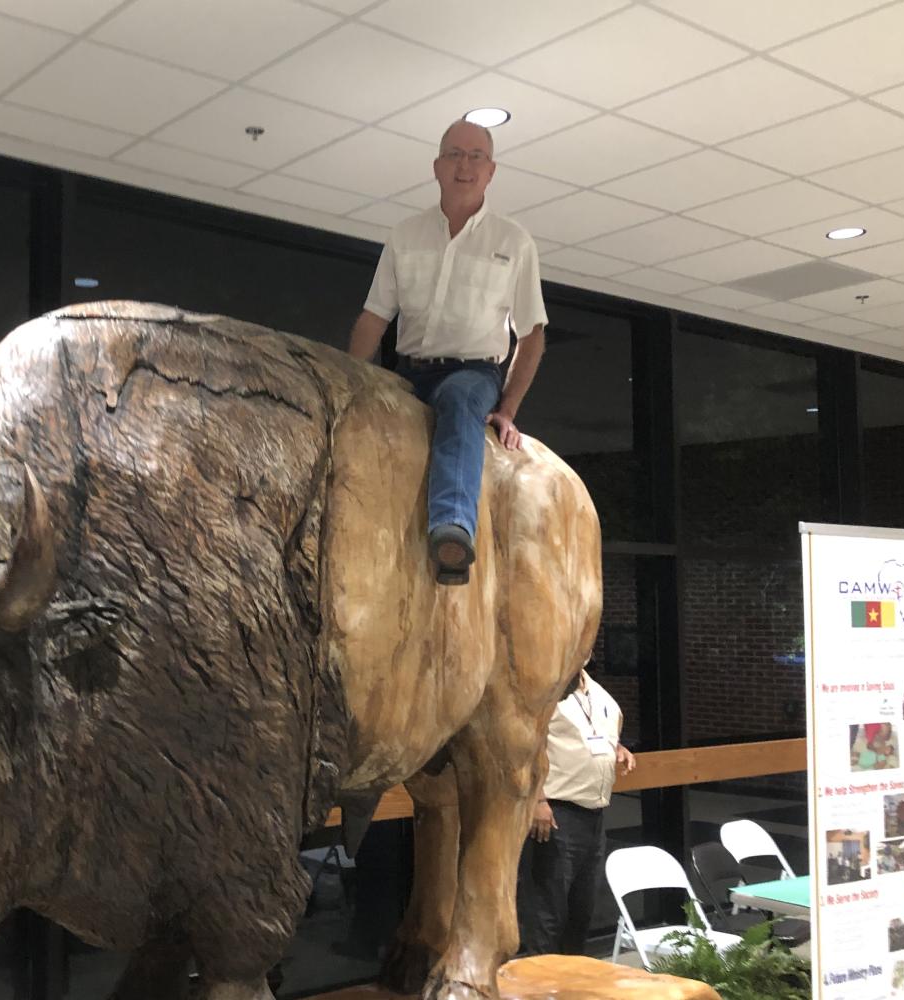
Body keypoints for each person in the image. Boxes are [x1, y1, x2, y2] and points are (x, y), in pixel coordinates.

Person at [347, 119, 548, 584]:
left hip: (474, 374)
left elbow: (531, 335)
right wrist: (349, 379)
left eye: (476, 156)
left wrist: (508, 409)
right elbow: (374, 317)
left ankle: (451, 529)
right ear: (437, 166)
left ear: (491, 170)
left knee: (458, 401)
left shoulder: (513, 242)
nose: (465, 164)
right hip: (407, 372)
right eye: (455, 154)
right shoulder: (405, 235)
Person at [516, 667, 635, 956]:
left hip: (594, 817)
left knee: (581, 912)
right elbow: (524, 746)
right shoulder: (545, 688)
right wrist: (537, 800)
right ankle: (541, 988)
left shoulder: (595, 691)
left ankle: (571, 985)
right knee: (547, 913)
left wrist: (617, 748)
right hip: (556, 814)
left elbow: (600, 730)